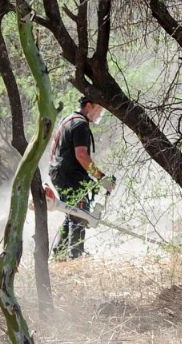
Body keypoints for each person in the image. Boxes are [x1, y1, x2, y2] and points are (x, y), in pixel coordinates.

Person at [48, 96, 115, 260]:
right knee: (80, 214)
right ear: (89, 105)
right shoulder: (81, 125)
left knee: (72, 212)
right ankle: (76, 256)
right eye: (99, 109)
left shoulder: (69, 119)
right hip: (69, 175)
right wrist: (101, 178)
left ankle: (60, 254)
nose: (100, 113)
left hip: (60, 173)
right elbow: (81, 155)